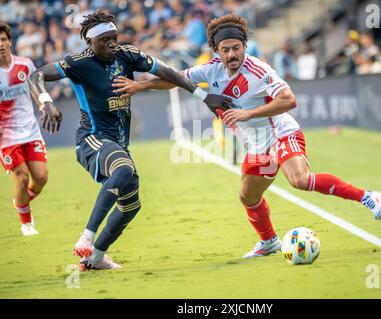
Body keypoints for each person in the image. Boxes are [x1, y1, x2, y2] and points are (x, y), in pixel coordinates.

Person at [112, 13, 381, 259]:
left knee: (299, 181)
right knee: (248, 197)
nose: (232, 54)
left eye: (236, 48)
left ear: (244, 46)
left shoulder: (259, 70)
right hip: (257, 146)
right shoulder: (211, 68)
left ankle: (367, 196)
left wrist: (247, 114)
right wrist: (139, 85)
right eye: (225, 49)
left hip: (280, 132)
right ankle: (268, 242)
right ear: (216, 51)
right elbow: (175, 79)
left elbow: (288, 100)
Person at [28, 10, 233, 271]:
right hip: (92, 139)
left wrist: (204, 98)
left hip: (119, 143)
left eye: (115, 37)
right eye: (105, 40)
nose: (113, 43)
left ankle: (96, 258)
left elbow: (168, 72)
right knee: (123, 169)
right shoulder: (78, 63)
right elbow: (36, 76)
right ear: (90, 43)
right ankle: (87, 236)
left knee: (131, 205)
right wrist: (45, 103)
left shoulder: (128, 54)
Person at [0, 22, 48, 236]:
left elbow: (35, 88)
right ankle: (26, 223)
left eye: (2, 39)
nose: (0, 44)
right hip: (6, 136)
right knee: (21, 177)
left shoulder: (25, 64)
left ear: (9, 41)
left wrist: (43, 105)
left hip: (30, 131)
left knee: (40, 178)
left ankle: (20, 201)